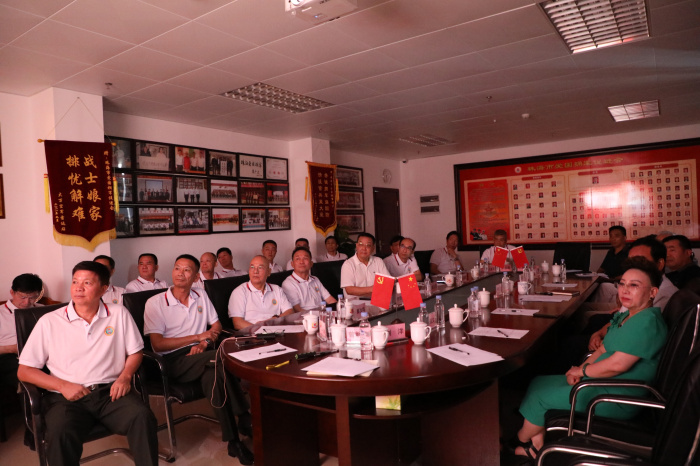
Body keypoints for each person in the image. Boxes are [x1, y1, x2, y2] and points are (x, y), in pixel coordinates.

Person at [510, 259, 667, 462]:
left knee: (540, 397)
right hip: (601, 382)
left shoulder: (647, 323)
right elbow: (603, 348)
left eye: (634, 285)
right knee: (538, 382)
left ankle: (519, 441)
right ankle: (536, 446)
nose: (625, 290)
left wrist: (582, 372)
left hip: (616, 395)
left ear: (653, 292)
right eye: (622, 284)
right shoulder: (630, 316)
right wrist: (581, 368)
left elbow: (617, 365)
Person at [17, 261, 158, 466]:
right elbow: (24, 371)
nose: (78, 288)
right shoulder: (49, 321)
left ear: (103, 289)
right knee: (60, 431)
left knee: (143, 417)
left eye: (87, 283)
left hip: (110, 392)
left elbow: (135, 352)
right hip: (66, 398)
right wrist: (62, 386)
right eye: (75, 282)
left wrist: (125, 376)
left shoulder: (118, 313)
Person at [143, 255, 253, 464]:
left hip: (204, 356)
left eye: (186, 270)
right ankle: (245, 416)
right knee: (223, 355)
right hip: (172, 361)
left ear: (195, 277)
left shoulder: (200, 295)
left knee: (214, 376)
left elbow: (216, 325)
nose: (180, 273)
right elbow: (157, 345)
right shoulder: (155, 303)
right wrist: (196, 337)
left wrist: (204, 343)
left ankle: (233, 441)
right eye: (177, 268)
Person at [2, 274, 44, 410]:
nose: (27, 303)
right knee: (26, 377)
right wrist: (11, 348)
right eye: (23, 297)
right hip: (10, 357)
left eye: (32, 297)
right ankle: (32, 420)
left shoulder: (43, 311)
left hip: (40, 355)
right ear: (12, 292)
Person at [229, 255, 294, 330]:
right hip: (253, 333)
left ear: (269, 272)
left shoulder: (277, 289)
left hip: (277, 331)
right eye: (252, 267)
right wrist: (262, 329)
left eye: (260, 267)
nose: (255, 271)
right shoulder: (239, 292)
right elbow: (237, 323)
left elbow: (290, 311)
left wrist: (275, 319)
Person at [282, 247, 337, 313]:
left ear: (311, 263)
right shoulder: (288, 283)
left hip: (322, 314)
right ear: (292, 264)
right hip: (304, 317)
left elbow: (329, 299)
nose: (301, 262)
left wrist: (338, 309)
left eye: (305, 258)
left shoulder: (315, 279)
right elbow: (297, 309)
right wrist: (317, 315)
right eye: (297, 259)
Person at [340, 232, 391, 299]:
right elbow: (349, 290)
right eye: (361, 244)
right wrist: (372, 289)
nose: (364, 248)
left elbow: (388, 282)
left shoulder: (378, 261)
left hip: (376, 300)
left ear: (373, 248)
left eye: (368, 245)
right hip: (355, 303)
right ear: (356, 246)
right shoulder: (348, 264)